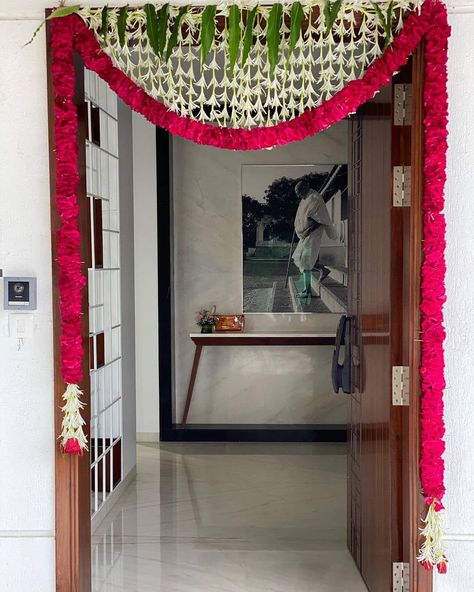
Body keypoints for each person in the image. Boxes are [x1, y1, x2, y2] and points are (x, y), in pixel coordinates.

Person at [292, 179, 337, 300]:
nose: (298, 194)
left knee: (305, 261)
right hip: (305, 234)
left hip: (313, 233)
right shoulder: (304, 199)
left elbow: (320, 219)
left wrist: (307, 231)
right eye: (297, 192)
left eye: (299, 191)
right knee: (303, 259)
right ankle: (323, 270)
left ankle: (307, 291)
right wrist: (298, 227)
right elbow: (301, 217)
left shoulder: (315, 198)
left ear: (305, 187)